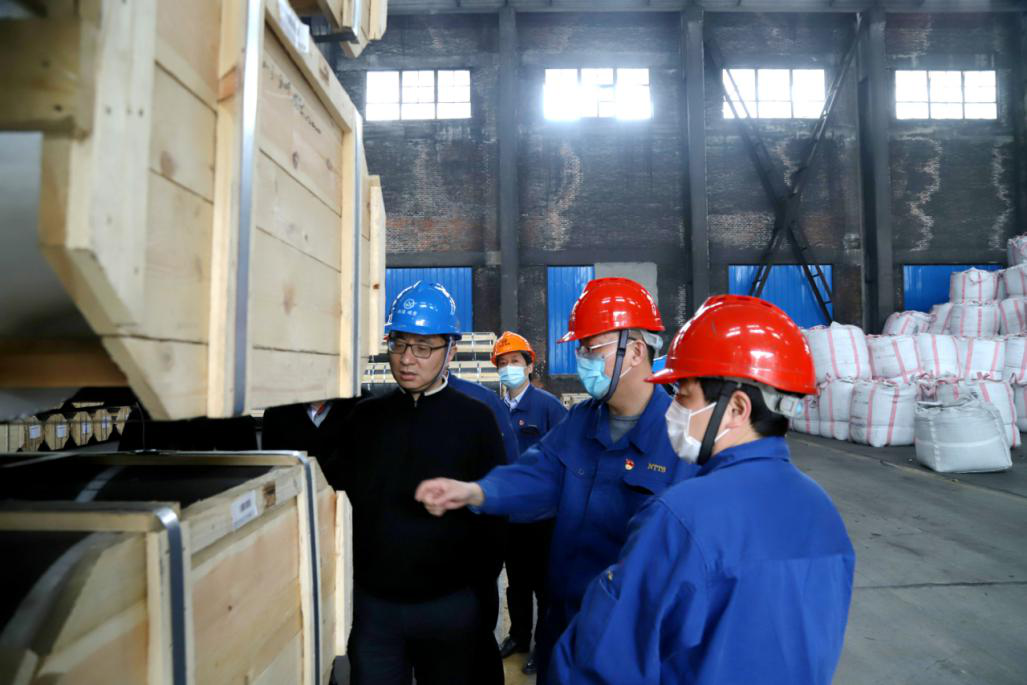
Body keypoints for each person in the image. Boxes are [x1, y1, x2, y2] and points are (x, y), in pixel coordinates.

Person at [548, 295, 856, 684]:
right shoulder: (824, 512)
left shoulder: (681, 516)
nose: (672, 410)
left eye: (683, 395)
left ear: (737, 409)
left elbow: (602, 661)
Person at [415, 277, 699, 683]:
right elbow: (537, 472)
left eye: (591, 348)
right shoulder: (581, 421)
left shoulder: (679, 442)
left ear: (636, 351)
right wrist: (476, 491)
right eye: (580, 348)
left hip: (628, 643)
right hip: (562, 625)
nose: (581, 359)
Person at [325, 281, 506, 685]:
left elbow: (496, 517)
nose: (407, 359)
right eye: (399, 344)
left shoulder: (476, 420)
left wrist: (475, 598)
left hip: (450, 607)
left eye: (423, 348)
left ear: (450, 351)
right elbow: (337, 504)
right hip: (375, 609)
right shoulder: (364, 419)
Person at [491, 331, 568, 674]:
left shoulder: (548, 407)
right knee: (516, 583)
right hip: (508, 517)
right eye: (503, 363)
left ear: (529, 366)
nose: (508, 368)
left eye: (515, 362)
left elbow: (568, 456)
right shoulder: (494, 409)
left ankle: (544, 645)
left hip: (542, 518)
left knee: (544, 587)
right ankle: (519, 637)